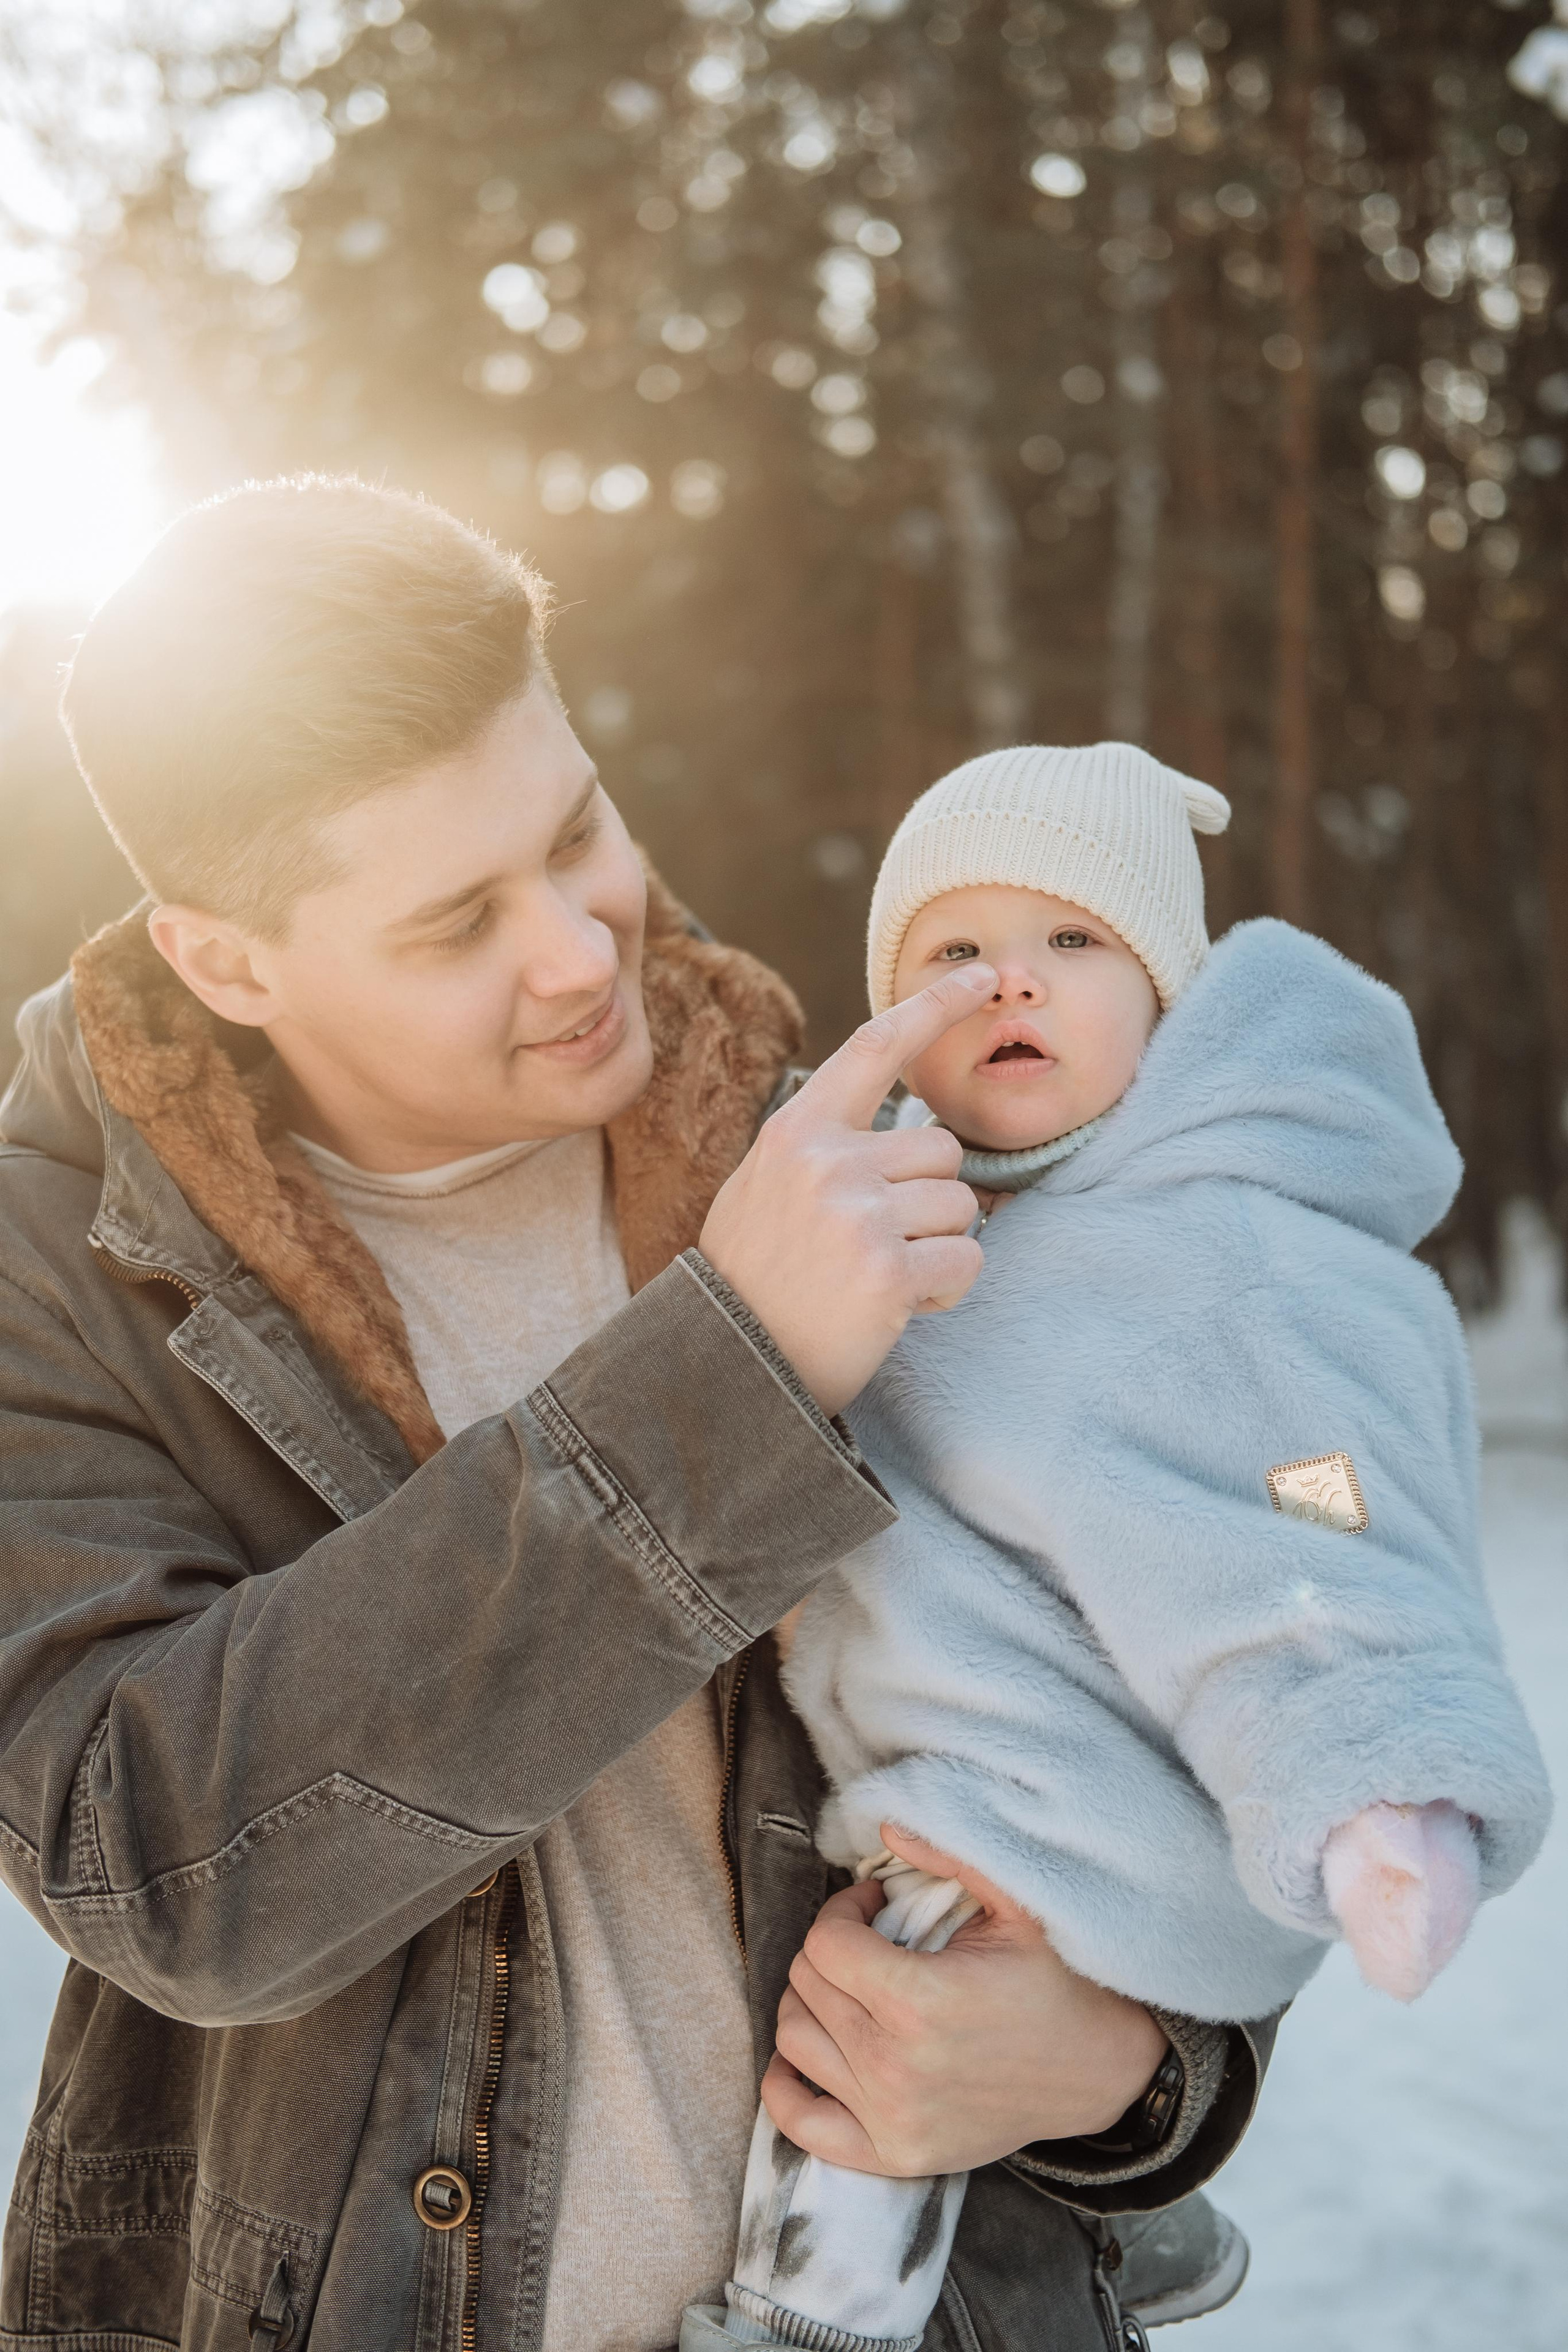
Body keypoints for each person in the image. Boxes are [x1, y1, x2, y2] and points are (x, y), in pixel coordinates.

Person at [0, 486, 1276, 2352]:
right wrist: (725, 1378)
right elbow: (157, 1855)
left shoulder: (839, 1122)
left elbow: (1213, 1632)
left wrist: (1139, 2060)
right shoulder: (56, 1269)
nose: (585, 950)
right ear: (231, 961)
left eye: (578, 828)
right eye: (457, 923)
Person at [715, 742, 1551, 2351]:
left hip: (1042, 1829)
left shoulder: (1234, 1261)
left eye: (1076, 942)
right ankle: (1122, 2223)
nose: (1011, 976)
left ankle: (815, 2314)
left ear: (1169, 996)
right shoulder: (900, 1208)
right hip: (930, 1770)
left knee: (858, 2100)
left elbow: (1323, 1510)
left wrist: (1371, 1757)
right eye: (953, 952)